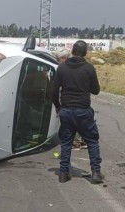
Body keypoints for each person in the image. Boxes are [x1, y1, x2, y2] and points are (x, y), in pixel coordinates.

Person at [52, 40, 104, 184]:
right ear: (85, 53)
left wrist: (58, 106)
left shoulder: (61, 69)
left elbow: (54, 91)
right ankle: (95, 173)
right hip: (83, 110)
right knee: (92, 141)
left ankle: (63, 173)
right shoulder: (89, 68)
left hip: (66, 110)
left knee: (66, 142)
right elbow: (96, 90)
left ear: (72, 51)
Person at [55, 48, 87, 150]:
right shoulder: (81, 67)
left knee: (73, 123)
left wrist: (57, 105)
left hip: (71, 102)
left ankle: (76, 141)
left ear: (63, 58)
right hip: (81, 102)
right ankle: (78, 140)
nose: (57, 61)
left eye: (58, 59)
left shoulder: (63, 68)